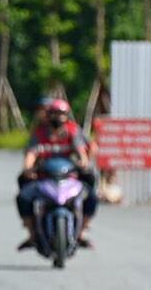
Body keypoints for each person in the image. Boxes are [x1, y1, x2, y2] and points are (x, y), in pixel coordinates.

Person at [17, 99, 97, 250]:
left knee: (91, 194)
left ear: (67, 116)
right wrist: (28, 168)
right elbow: (31, 154)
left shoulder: (72, 131)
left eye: (62, 114)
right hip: (44, 178)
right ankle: (31, 233)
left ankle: (82, 231)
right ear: (48, 115)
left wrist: (84, 163)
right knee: (23, 194)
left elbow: (81, 151)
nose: (58, 117)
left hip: (69, 178)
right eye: (54, 114)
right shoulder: (39, 133)